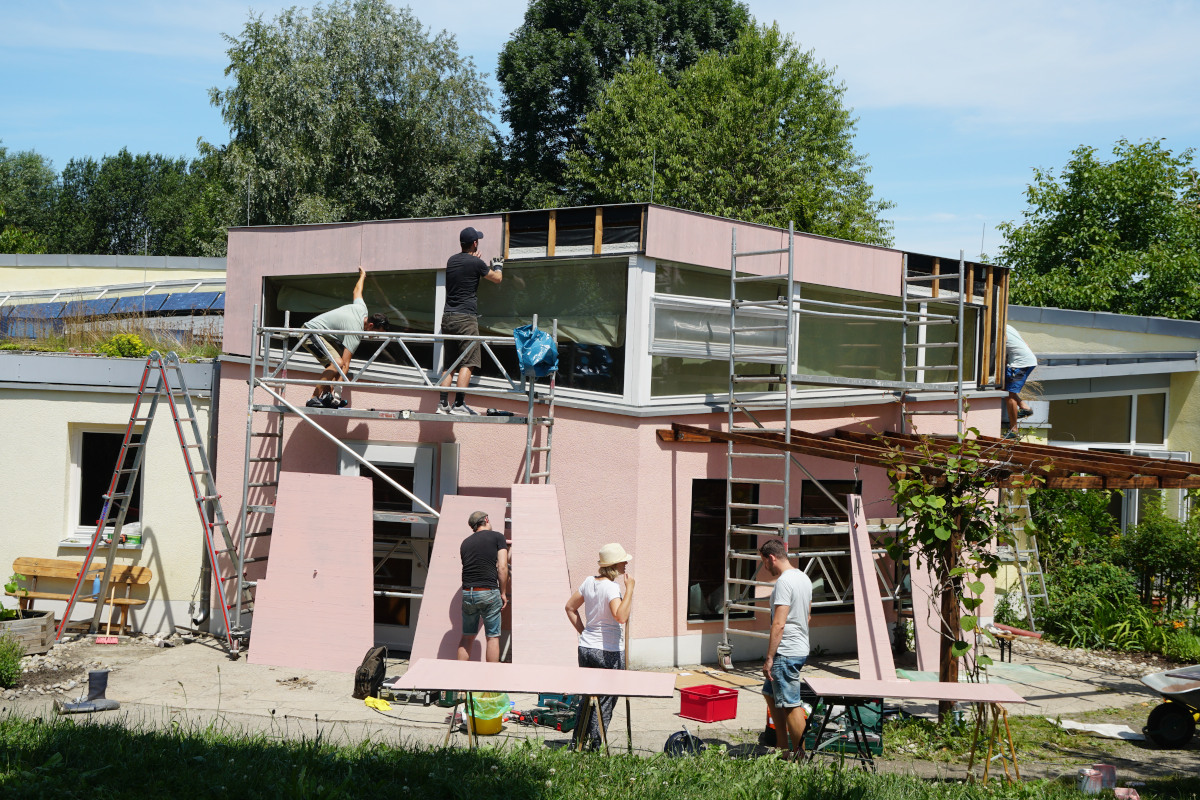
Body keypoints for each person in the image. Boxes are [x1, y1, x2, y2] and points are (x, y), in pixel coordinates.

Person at [564, 542, 635, 750]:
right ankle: (595, 745)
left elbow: (569, 607)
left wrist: (585, 632)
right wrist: (629, 590)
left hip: (586, 648)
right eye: (623, 561)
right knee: (604, 701)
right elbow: (620, 616)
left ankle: (577, 742)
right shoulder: (611, 587)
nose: (626, 565)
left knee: (586, 698)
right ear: (615, 564)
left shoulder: (588, 582)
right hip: (608, 651)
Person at [437, 226, 503, 416]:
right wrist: (497, 266)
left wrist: (476, 261)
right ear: (475, 243)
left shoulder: (452, 261)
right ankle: (459, 405)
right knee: (469, 361)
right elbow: (497, 279)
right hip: (465, 318)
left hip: (447, 317)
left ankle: (442, 404)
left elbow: (466, 269)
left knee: (450, 364)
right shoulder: (476, 263)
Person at [301, 266, 388, 409]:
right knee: (338, 363)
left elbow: (357, 291)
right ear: (371, 325)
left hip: (322, 335)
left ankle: (327, 398)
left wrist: (362, 276)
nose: (376, 336)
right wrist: (339, 392)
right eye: (377, 332)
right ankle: (314, 398)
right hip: (310, 333)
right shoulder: (355, 332)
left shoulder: (362, 309)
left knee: (335, 364)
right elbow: (345, 365)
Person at [759, 538, 813, 758]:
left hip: (786, 651)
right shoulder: (804, 578)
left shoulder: (783, 582)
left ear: (772, 558)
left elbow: (779, 623)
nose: (765, 568)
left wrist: (770, 657)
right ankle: (783, 750)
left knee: (790, 704)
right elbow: (807, 616)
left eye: (764, 563)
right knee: (769, 693)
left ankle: (801, 757)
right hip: (799, 646)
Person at [458, 510, 509, 663]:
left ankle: (458, 684)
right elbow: (502, 567)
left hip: (468, 593)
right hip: (488, 592)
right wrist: (503, 593)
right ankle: (490, 684)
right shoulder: (497, 537)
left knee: (467, 637)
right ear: (486, 519)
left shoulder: (465, 543)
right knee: (492, 637)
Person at [1004, 324, 1037, 438]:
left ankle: (1014, 431)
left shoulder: (998, 328)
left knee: (1009, 396)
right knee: (1006, 390)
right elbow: (1026, 344)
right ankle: (1025, 408)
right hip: (1027, 360)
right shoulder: (1008, 326)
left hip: (1020, 363)